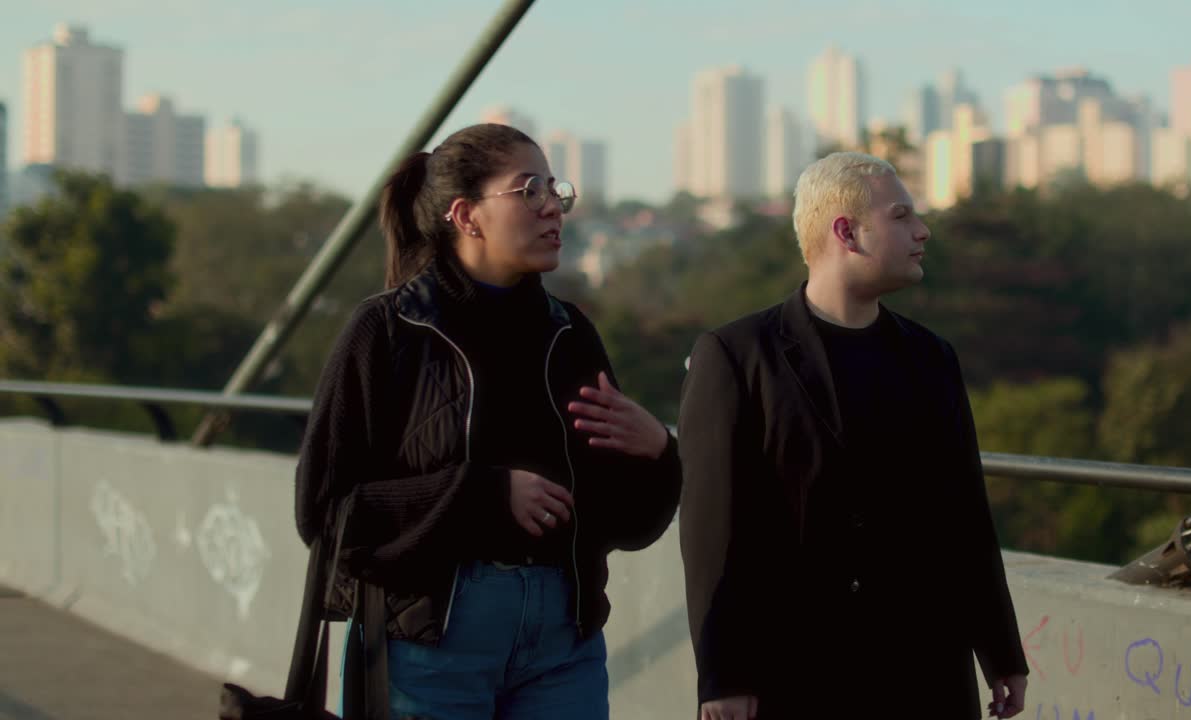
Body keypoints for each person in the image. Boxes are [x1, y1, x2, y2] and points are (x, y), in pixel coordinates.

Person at [294, 123, 682, 720]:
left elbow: (626, 526)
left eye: (555, 189)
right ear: (466, 216)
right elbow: (325, 511)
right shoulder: (388, 332)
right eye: (528, 190)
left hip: (563, 642)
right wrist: (481, 493)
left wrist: (657, 453)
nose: (553, 205)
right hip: (426, 647)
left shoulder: (570, 334)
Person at [676, 151, 1030, 719]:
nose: (923, 231)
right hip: (795, 675)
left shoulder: (932, 357)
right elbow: (712, 533)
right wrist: (723, 676)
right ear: (847, 231)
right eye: (902, 216)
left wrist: (1001, 652)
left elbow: (964, 514)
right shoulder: (737, 356)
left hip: (926, 673)